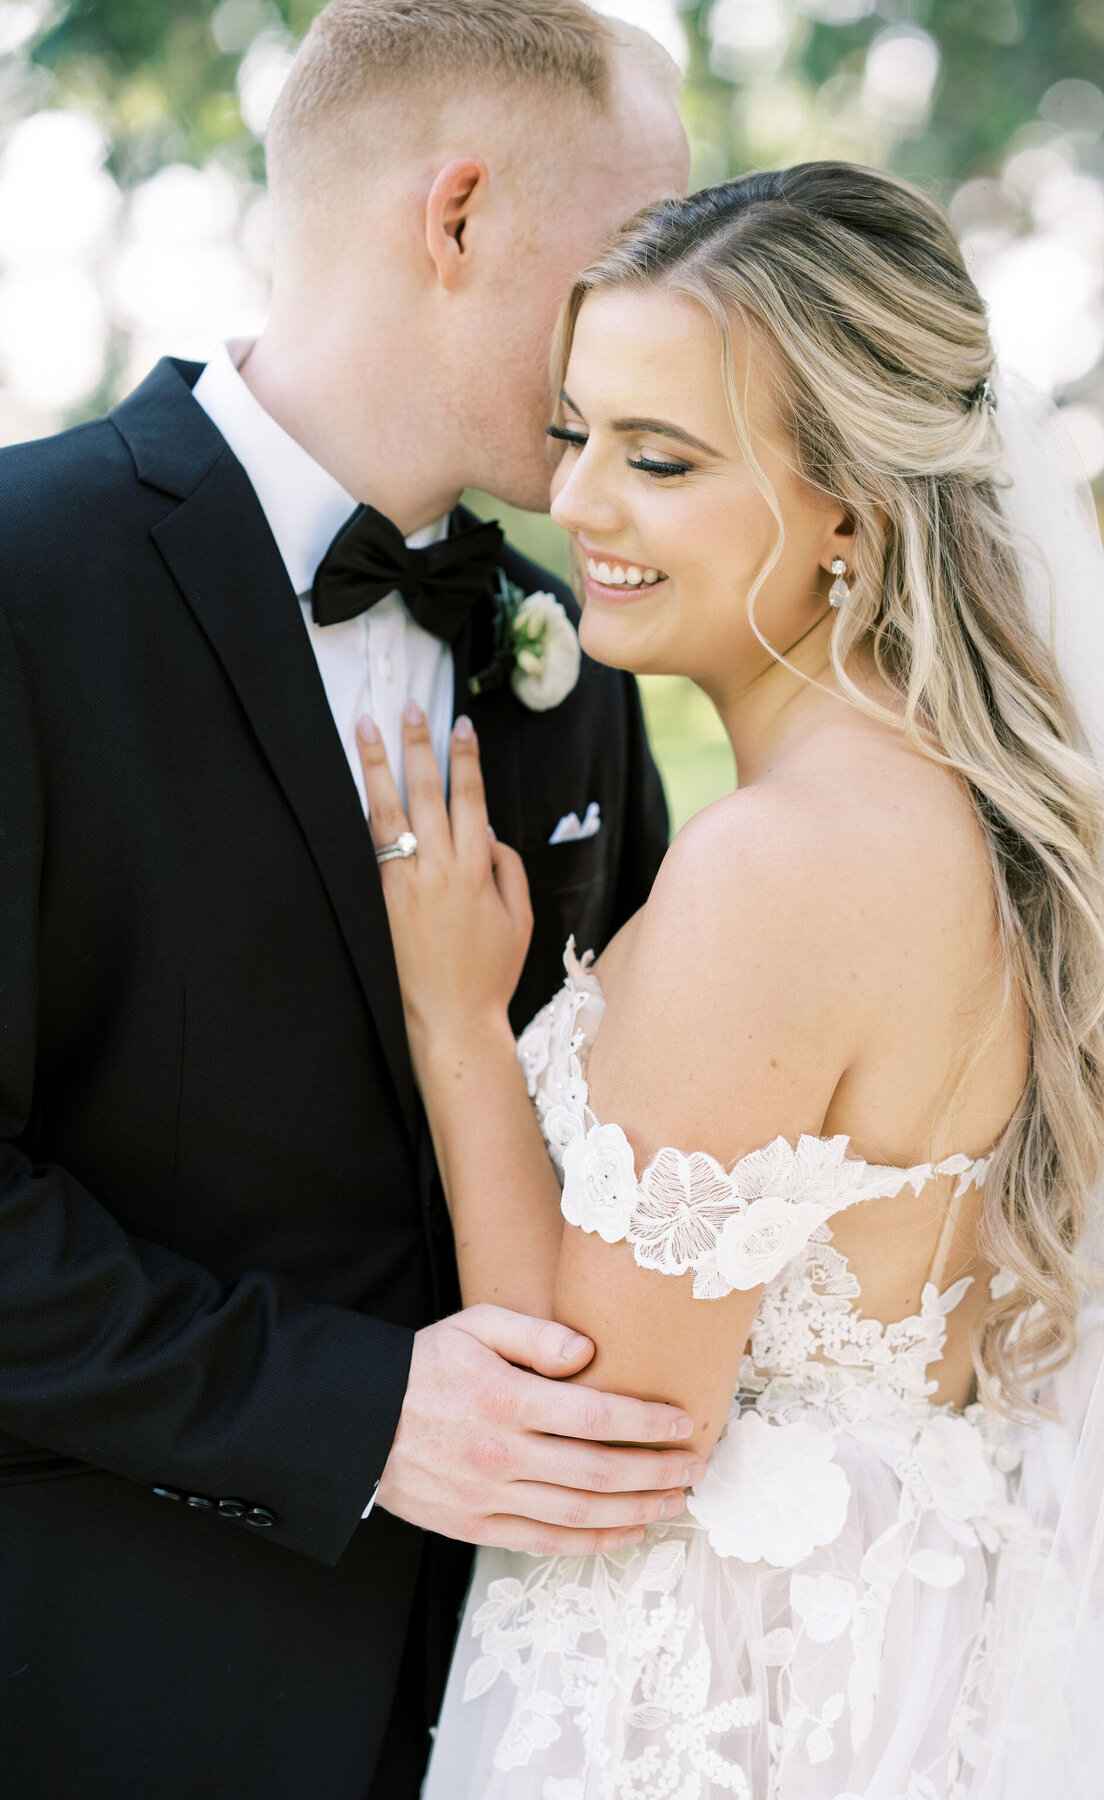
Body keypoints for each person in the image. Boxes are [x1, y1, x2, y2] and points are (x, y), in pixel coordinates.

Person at [355, 163, 1104, 1797]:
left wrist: (458, 1020)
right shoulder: (968, 810)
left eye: (659, 460)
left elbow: (589, 1417)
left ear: (848, 518)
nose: (579, 503)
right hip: (903, 1658)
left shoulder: (786, 860)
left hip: (712, 1700)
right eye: (578, 430)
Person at [0, 4, 695, 1797]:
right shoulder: (19, 585)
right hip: (110, 1692)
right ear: (455, 219)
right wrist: (355, 1414)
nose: (667, 326)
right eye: (628, 258)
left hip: (532, 1706)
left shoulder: (581, 664)